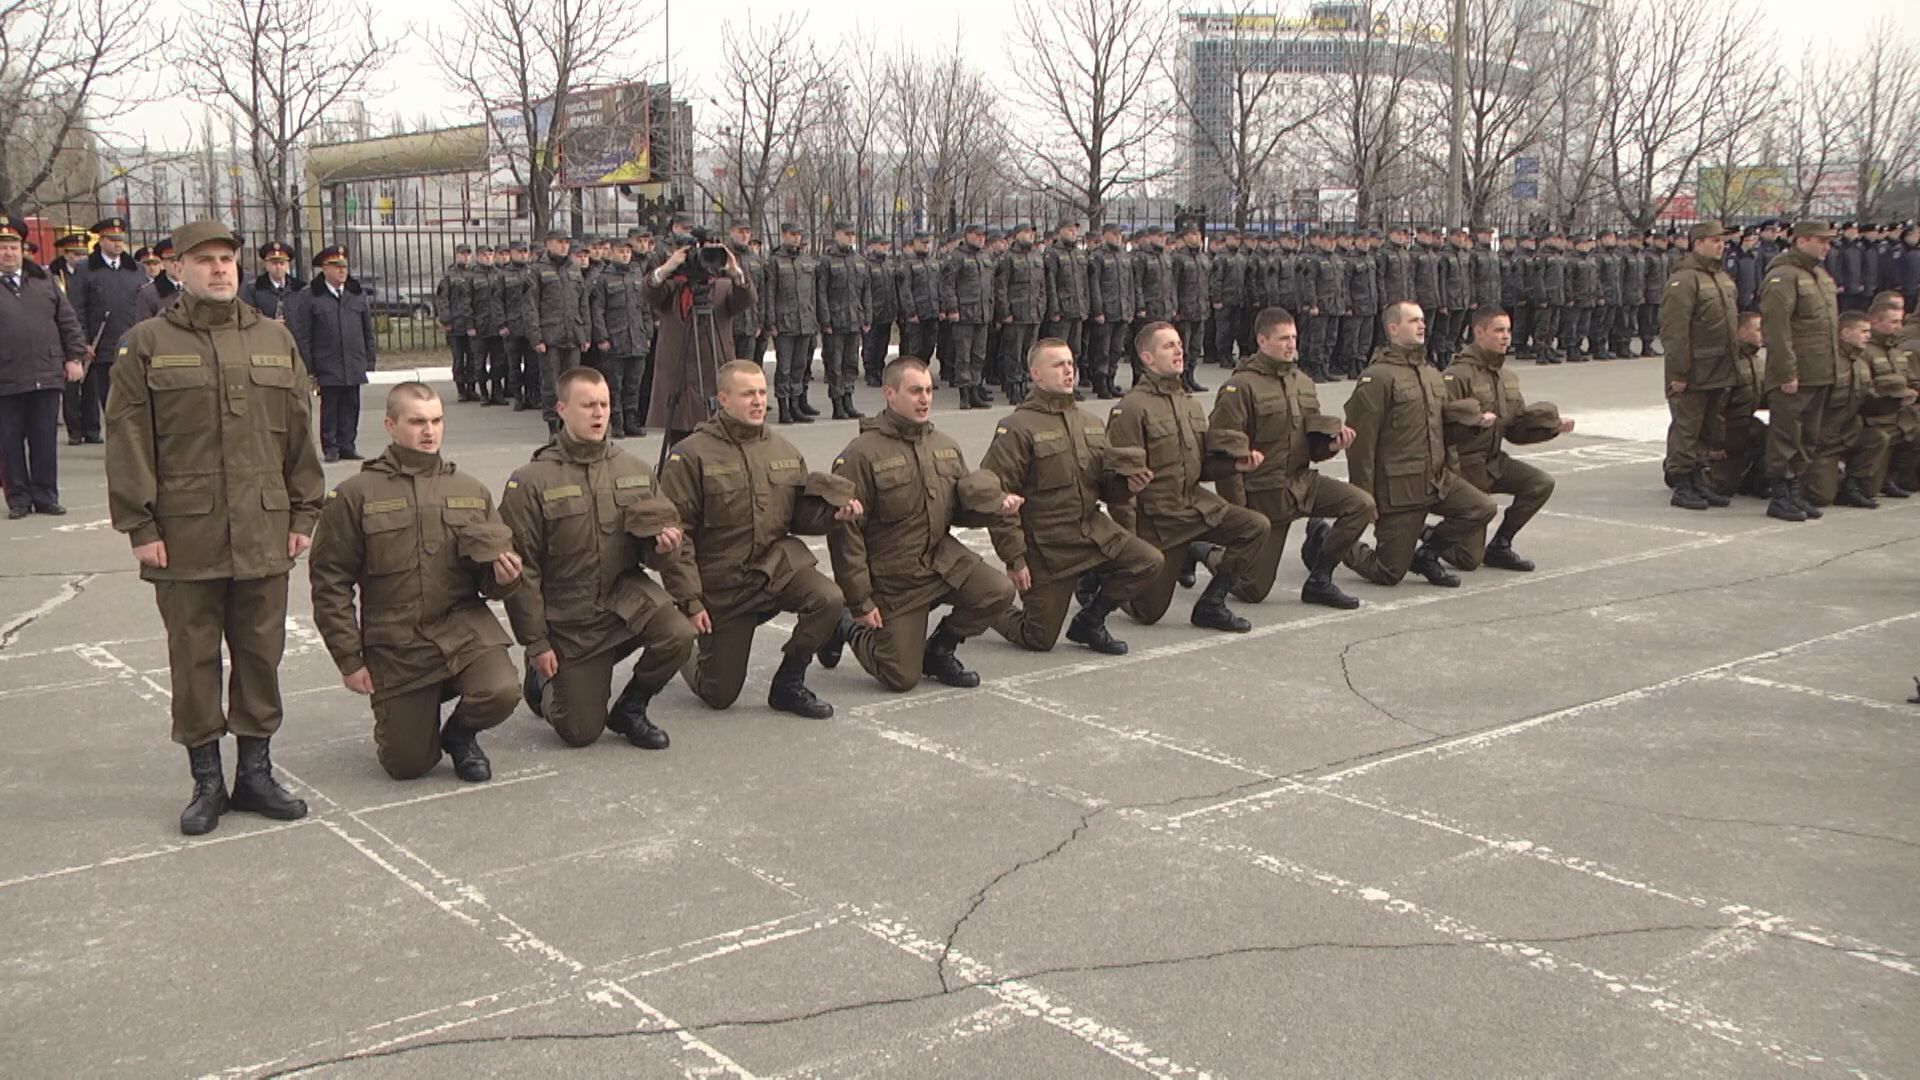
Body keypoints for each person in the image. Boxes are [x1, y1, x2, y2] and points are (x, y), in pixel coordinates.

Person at [105, 219, 327, 836]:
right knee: (194, 658)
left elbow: (298, 433)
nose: (220, 269)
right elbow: (126, 439)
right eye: (204, 260)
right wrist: (139, 525)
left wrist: (305, 511)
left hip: (262, 528)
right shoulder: (145, 343)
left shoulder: (274, 338)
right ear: (178, 270)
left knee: (260, 654)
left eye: (227, 258)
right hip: (183, 535)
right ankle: (207, 781)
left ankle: (255, 773)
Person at [308, 383, 522, 782]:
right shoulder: (355, 495)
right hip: (398, 643)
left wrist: (504, 579)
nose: (430, 431)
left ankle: (460, 736)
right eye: (417, 421)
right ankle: (415, 711)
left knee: (502, 690)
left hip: (462, 630)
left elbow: (489, 582)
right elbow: (329, 583)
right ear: (390, 425)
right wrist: (349, 658)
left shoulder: (471, 491)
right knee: (407, 765)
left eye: (437, 421)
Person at [500, 366, 696, 750]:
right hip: (568, 615)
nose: (599, 413)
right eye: (588, 405)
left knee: (679, 633)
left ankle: (631, 708)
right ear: (562, 409)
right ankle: (544, 680)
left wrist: (663, 550)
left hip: (622, 599)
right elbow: (523, 573)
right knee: (580, 732)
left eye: (604, 404)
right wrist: (537, 642)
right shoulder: (531, 481)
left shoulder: (636, 471)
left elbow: (648, 552)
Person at [658, 360, 862, 716]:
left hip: (773, 569)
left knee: (827, 598)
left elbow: (796, 515)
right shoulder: (690, 456)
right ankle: (682, 646)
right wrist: (689, 600)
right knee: (718, 694)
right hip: (723, 586)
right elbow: (680, 537)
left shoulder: (782, 449)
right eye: (747, 393)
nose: (757, 401)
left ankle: (789, 683)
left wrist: (832, 515)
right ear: (722, 399)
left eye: (762, 393)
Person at [819, 356, 1021, 692]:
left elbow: (959, 510)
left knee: (998, 592)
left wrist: (994, 508)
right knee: (900, 677)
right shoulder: (861, 454)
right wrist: (859, 602)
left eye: (928, 390)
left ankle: (940, 650)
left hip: (942, 561)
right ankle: (843, 626)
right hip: (895, 576)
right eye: (915, 391)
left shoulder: (943, 446)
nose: (925, 398)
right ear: (889, 394)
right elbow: (845, 535)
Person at [983, 339, 1162, 654]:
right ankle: (984, 606)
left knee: (1148, 561)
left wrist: (1126, 487)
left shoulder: (1090, 424)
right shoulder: (1016, 428)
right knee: (1038, 638)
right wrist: (1014, 558)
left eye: (1070, 364)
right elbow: (999, 499)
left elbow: (1105, 485)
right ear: (1036, 375)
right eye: (1058, 365)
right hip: (1046, 545)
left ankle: (1090, 621)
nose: (1069, 371)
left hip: (1091, 531)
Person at [1105, 322, 1270, 632]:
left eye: (1179, 344)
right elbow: (1119, 483)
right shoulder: (1131, 409)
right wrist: (1129, 543)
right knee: (1148, 613)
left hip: (1195, 508)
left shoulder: (1188, 403)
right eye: (1168, 346)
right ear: (1147, 358)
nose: (1179, 350)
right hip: (1158, 521)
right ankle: (1098, 574)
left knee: (1255, 527)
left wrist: (1235, 466)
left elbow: (1201, 466)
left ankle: (1212, 603)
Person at [1210, 307, 1373, 609]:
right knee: (1252, 589)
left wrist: (1333, 445)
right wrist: (1238, 512)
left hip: (1302, 483)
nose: (1291, 345)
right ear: (1261, 340)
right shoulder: (1241, 387)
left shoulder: (1303, 382)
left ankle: (1320, 579)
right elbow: (1223, 454)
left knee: (1361, 504)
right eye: (1283, 338)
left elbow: (1313, 446)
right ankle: (1203, 551)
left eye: (1294, 338)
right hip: (1264, 493)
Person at [1342, 302, 1498, 587]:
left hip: (1437, 479)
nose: (1422, 325)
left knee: (1482, 507)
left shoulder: (1431, 373)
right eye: (1413, 321)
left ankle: (1427, 553)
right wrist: (1363, 496)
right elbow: (1360, 443)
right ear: (1392, 328)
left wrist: (1455, 462)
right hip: (1399, 489)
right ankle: (1329, 541)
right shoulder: (1377, 377)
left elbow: (1443, 431)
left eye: (1422, 320)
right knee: (1388, 572)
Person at [1436, 307, 1572, 572]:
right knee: (1468, 560)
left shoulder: (1507, 377)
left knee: (1540, 483)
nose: (1506, 337)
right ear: (1479, 332)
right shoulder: (1457, 375)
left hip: (1493, 462)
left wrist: (1550, 428)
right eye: (1499, 330)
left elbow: (1515, 430)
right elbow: (1440, 429)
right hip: (1464, 468)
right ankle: (1424, 533)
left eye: (1508, 330)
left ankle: (1500, 545)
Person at [0, 213, 87, 519]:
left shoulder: (44, 280)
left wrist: (74, 357)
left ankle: (46, 495)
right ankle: (19, 499)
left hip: (46, 374)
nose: (7, 252)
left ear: (22, 248)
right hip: (6, 378)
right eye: (1, 246)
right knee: (8, 443)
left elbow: (68, 321)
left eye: (12, 246)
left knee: (44, 440)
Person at [642, 231, 757, 447]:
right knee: (680, 446)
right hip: (679, 378)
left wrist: (735, 272)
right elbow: (649, 291)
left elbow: (747, 298)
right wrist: (668, 267)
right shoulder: (672, 287)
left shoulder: (723, 286)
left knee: (720, 443)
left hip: (713, 372)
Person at [1760, 221, 1841, 522]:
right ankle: (1780, 493)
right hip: (1795, 373)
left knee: (1807, 434)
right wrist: (1785, 373)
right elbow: (1777, 330)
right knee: (1786, 434)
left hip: (1820, 369)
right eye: (1821, 241)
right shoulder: (1783, 276)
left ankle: (1795, 489)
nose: (1826, 247)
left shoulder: (1819, 275)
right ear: (1802, 240)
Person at [1659, 220, 1741, 511]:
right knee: (1687, 427)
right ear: (1698, 243)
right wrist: (1680, 373)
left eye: (1722, 241)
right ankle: (1681, 482)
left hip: (1720, 368)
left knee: (1708, 427)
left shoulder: (1720, 278)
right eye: (1714, 240)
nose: (1721, 245)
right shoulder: (1685, 280)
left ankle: (1698, 479)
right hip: (1693, 370)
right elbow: (1675, 331)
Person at [1803, 309, 1913, 508]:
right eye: (1863, 331)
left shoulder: (1859, 364)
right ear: (1845, 333)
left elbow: (1866, 403)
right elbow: (1809, 405)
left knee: (1878, 438)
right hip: (1823, 439)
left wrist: (1895, 400)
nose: (1868, 336)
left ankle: (1852, 485)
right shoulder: (1826, 362)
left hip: (1848, 432)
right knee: (1820, 497)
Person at [288, 245, 375, 463]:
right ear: (324, 269)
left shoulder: (356, 293)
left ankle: (348, 445)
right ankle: (331, 447)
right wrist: (310, 366)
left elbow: (366, 329)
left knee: (351, 405)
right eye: (336, 267)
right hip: (327, 361)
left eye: (344, 266)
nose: (342, 271)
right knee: (331, 406)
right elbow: (304, 334)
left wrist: (369, 359)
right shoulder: (311, 295)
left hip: (353, 360)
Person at [67, 216, 144, 445]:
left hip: (133, 343)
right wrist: (83, 342)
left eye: (120, 239)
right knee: (109, 398)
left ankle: (133, 439)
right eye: (112, 239)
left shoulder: (135, 269)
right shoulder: (85, 269)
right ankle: (115, 438)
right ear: (100, 241)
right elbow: (76, 309)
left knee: (135, 396)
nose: (117, 244)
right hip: (101, 346)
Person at [588, 236, 652, 439]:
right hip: (616, 339)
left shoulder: (637, 274)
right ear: (613, 252)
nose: (625, 255)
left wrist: (648, 333)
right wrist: (602, 337)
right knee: (615, 386)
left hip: (637, 339)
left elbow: (645, 307)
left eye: (627, 251)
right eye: (621, 251)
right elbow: (597, 311)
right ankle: (617, 424)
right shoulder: (603, 277)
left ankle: (632, 422)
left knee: (634, 384)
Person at [1708, 311, 1772, 500]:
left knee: (1775, 437)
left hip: (1745, 424)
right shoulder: (1727, 362)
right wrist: (1715, 444)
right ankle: (1683, 467)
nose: (1763, 334)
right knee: (1722, 487)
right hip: (1725, 430)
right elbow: (1715, 407)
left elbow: (1760, 396)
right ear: (1740, 332)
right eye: (1758, 329)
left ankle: (1754, 476)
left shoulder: (1756, 361)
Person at [530, 229, 589, 433]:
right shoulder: (537, 270)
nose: (564, 246)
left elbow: (583, 304)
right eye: (559, 242)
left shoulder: (574, 269)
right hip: (550, 336)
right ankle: (553, 426)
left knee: (572, 383)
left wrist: (585, 334)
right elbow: (531, 306)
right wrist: (536, 337)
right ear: (548, 244)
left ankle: (568, 425)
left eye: (566, 242)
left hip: (572, 335)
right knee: (551, 382)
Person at [767, 223, 822, 423]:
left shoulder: (807, 261)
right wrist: (771, 321)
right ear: (784, 235)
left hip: (805, 321)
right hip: (784, 322)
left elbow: (813, 294)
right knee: (785, 367)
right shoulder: (775, 261)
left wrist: (815, 318)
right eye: (792, 234)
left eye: (799, 234)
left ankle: (796, 405)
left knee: (800, 365)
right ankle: (784, 407)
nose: (796, 238)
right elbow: (770, 292)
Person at [817, 222, 870, 419]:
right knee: (835, 364)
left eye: (852, 234)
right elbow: (821, 293)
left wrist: (867, 316)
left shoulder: (859, 261)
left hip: (854, 319)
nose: (850, 238)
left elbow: (866, 292)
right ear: (837, 234)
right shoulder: (826, 261)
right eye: (846, 234)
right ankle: (837, 403)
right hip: (835, 321)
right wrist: (825, 320)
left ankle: (848, 399)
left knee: (851, 363)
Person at [942, 224, 997, 409]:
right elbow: (948, 285)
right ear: (967, 235)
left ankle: (975, 389)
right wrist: (952, 308)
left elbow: (990, 287)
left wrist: (991, 309)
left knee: (979, 355)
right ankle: (964, 394)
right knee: (963, 356)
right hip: (964, 313)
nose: (981, 238)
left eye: (983, 235)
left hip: (982, 314)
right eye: (977, 235)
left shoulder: (984, 256)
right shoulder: (957, 257)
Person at [435, 244, 479, 401]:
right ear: (456, 255)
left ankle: (472, 387)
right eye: (462, 254)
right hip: (455, 324)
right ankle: (461, 389)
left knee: (473, 357)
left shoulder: (474, 274)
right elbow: (442, 299)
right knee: (459, 359)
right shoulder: (449, 275)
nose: (465, 256)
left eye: (468, 254)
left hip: (471, 324)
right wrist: (446, 320)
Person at [240, 240, 299, 322]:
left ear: (287, 265)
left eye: (282, 263)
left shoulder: (299, 288)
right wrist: (270, 324)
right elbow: (247, 317)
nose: (278, 267)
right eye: (274, 263)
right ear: (266, 265)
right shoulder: (253, 289)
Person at [131, 239, 182, 322]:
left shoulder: (195, 288)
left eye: (180, 260)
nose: (177, 265)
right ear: (163, 263)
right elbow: (144, 329)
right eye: (172, 261)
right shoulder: (149, 293)